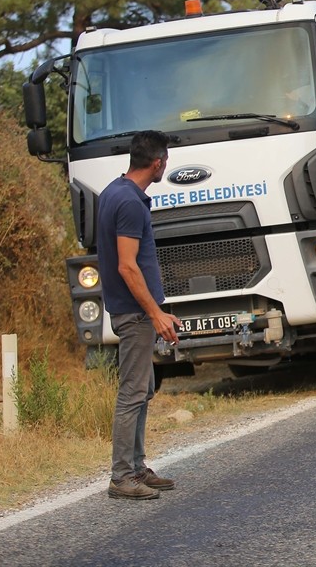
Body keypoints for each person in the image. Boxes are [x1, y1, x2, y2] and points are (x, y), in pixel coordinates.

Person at [97, 131, 182, 500]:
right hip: (134, 313)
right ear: (158, 163)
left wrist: (158, 311)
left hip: (134, 311)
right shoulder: (130, 202)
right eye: (166, 160)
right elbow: (128, 267)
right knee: (132, 393)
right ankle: (121, 477)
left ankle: (135, 468)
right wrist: (156, 314)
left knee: (143, 388)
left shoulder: (114, 192)